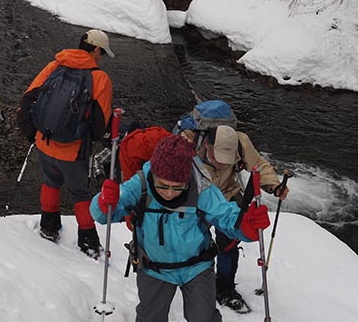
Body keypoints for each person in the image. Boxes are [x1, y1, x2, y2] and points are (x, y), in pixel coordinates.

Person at [90, 134, 271, 322]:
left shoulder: (200, 187)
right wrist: (104, 201)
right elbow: (104, 214)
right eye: (163, 185)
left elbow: (224, 214)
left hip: (197, 266)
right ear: (155, 174)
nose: (169, 193)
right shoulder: (140, 184)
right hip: (154, 268)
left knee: (204, 318)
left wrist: (245, 224)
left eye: (178, 187)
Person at [17, 29, 114, 258]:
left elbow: (28, 98)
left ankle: (49, 228)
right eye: (102, 53)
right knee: (80, 193)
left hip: (44, 142)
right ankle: (88, 241)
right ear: (96, 49)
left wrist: (33, 134)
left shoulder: (55, 65)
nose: (101, 58)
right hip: (73, 150)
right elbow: (101, 125)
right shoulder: (99, 78)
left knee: (50, 182)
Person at [194, 125, 289, 312]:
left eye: (226, 161)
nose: (222, 165)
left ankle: (224, 287)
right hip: (197, 200)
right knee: (196, 243)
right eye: (217, 158)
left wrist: (274, 186)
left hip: (228, 196)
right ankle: (194, 284)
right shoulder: (189, 145)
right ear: (207, 145)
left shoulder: (240, 142)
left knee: (228, 246)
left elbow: (258, 165)